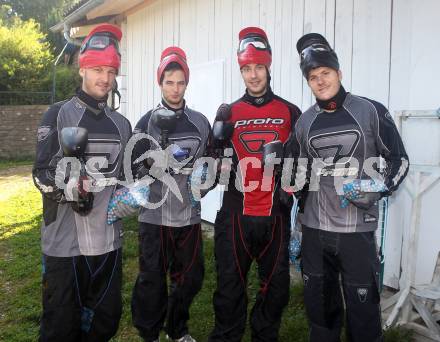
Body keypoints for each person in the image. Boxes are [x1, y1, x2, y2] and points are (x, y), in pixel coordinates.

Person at [293, 33, 409, 342]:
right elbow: (301, 177)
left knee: (363, 315)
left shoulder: (370, 110)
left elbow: (400, 161)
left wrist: (374, 187)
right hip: (316, 233)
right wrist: (297, 223)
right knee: (320, 312)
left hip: (356, 232)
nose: (320, 81)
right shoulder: (304, 123)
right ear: (308, 82)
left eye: (326, 73)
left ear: (339, 73)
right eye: (313, 77)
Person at [32, 24, 132, 341]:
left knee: (105, 322)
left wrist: (135, 196)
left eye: (111, 70)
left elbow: (125, 181)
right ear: (82, 68)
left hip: (107, 244)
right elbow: (40, 174)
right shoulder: (57, 114)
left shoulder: (122, 124)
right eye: (97, 69)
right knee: (61, 328)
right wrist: (71, 186)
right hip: (64, 246)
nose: (105, 78)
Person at [208, 27, 301, 342]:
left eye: (258, 67)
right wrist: (214, 158)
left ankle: (264, 335)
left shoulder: (290, 112)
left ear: (268, 66)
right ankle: (227, 336)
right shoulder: (228, 112)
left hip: (275, 215)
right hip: (235, 215)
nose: (253, 75)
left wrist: (292, 186)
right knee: (229, 287)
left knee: (276, 289)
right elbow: (210, 163)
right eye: (246, 68)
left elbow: (302, 164)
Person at [130, 46, 211, 342]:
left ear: (186, 83)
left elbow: (210, 163)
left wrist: (205, 180)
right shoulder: (145, 123)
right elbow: (131, 169)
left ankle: (177, 329)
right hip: (153, 216)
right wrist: (150, 168)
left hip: (187, 216)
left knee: (190, 278)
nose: (175, 89)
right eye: (169, 82)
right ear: (160, 83)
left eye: (180, 82)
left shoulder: (200, 122)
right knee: (151, 280)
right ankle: (149, 333)